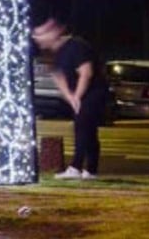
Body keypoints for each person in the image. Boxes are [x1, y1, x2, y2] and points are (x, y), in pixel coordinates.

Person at [31, 18, 108, 180]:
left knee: (82, 127)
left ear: (54, 33)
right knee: (88, 130)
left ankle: (76, 167)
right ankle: (91, 170)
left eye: (41, 34)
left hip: (93, 92)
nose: (37, 39)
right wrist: (70, 97)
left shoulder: (76, 46)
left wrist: (77, 96)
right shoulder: (55, 53)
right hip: (80, 95)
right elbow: (59, 77)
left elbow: (86, 72)